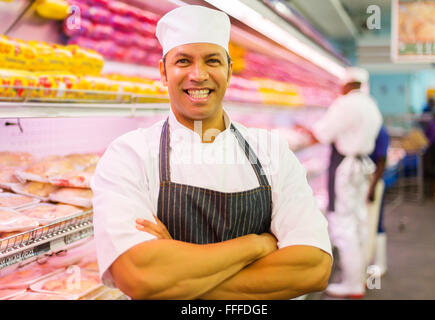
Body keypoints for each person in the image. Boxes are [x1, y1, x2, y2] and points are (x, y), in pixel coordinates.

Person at [92, 5, 332, 300]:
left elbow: (314, 268)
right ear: (163, 73)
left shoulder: (272, 151)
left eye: (212, 60)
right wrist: (256, 246)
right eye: (183, 61)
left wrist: (176, 281)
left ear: (229, 71)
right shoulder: (129, 155)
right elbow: (139, 275)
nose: (198, 74)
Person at [311, 67, 382, 298]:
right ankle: (358, 278)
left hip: (346, 168)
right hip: (362, 167)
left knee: (343, 225)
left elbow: (323, 133)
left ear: (346, 84)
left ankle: (352, 283)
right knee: (358, 220)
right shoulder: (371, 105)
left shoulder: (345, 104)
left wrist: (306, 130)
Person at [366, 124, 390, 276]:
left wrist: (372, 187)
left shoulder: (379, 131)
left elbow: (382, 160)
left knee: (376, 223)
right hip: (371, 182)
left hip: (374, 182)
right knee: (372, 223)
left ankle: (379, 264)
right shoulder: (373, 129)